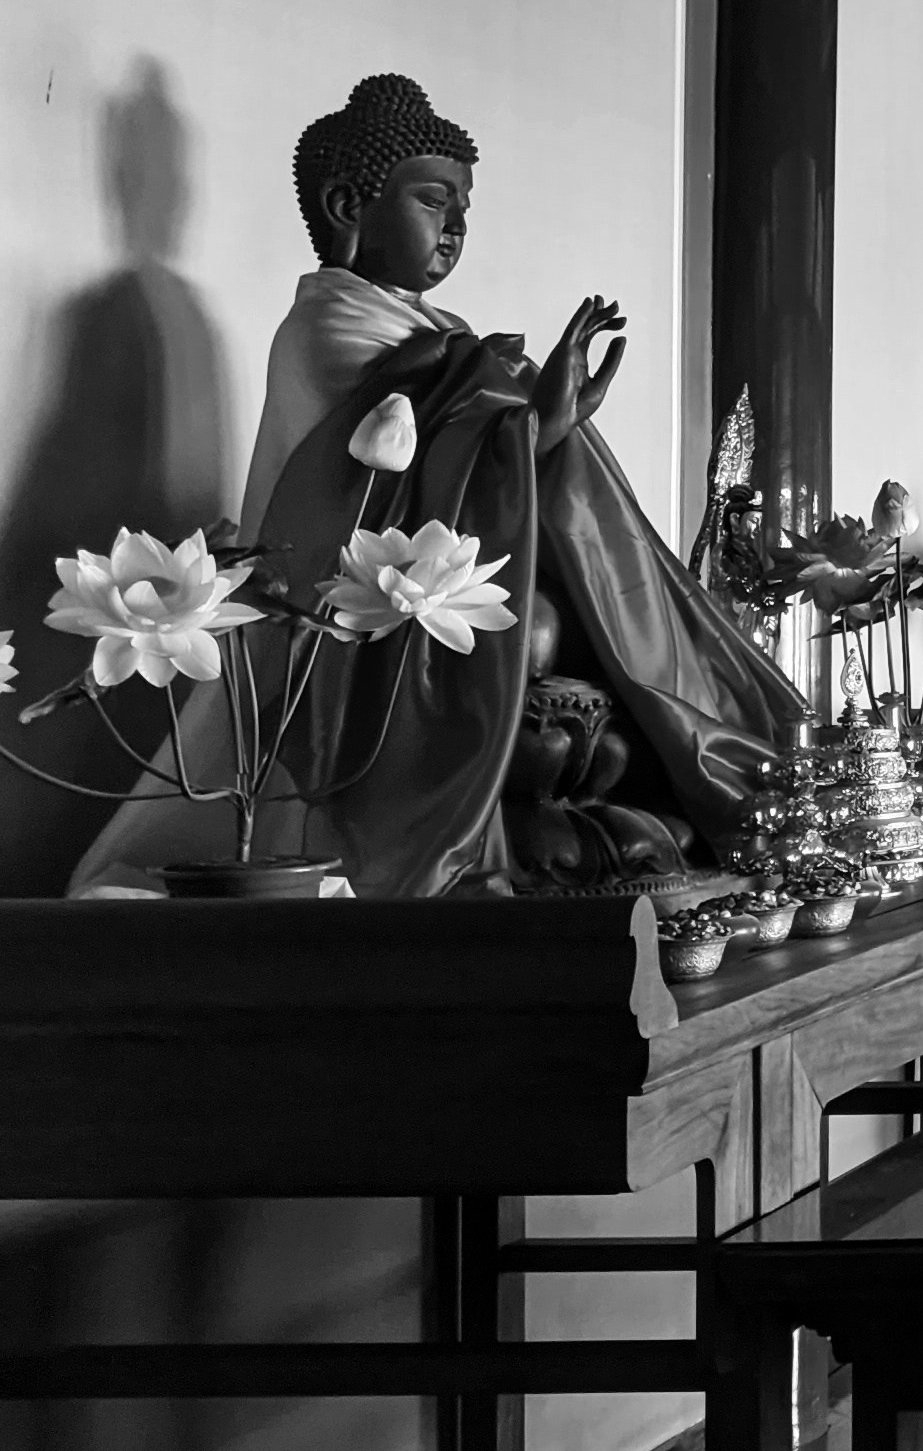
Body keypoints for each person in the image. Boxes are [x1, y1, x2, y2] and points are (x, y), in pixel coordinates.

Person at [77, 74, 802, 894]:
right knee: (527, 635)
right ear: (350, 207)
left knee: (568, 642)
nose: (456, 226)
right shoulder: (324, 325)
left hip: (436, 588)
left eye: (464, 205)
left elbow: (473, 452)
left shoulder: (441, 335)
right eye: (434, 200)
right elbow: (380, 483)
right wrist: (527, 423)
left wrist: (547, 428)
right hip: (353, 620)